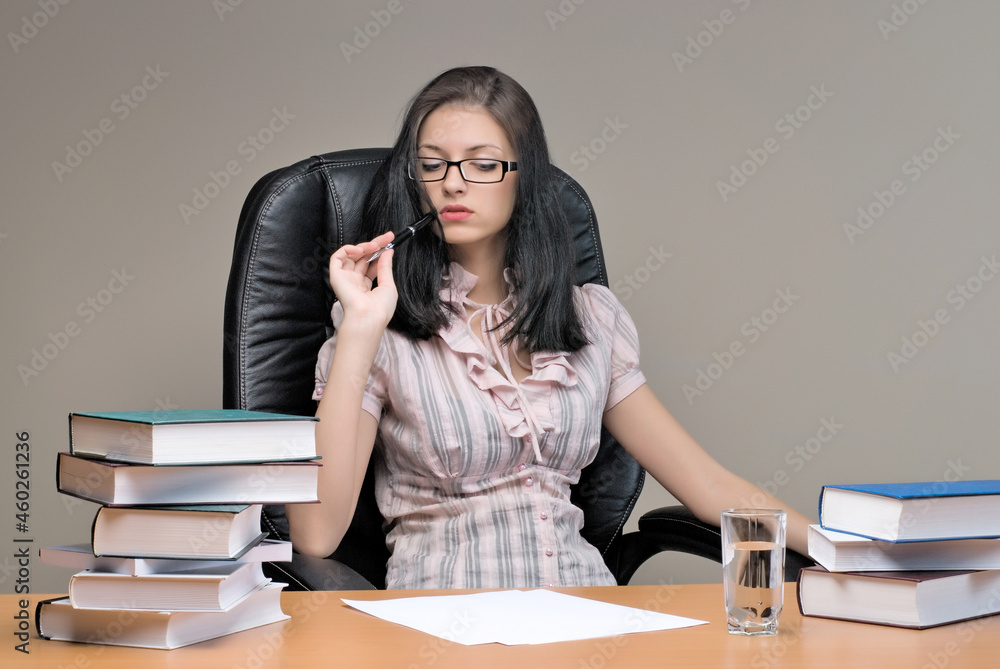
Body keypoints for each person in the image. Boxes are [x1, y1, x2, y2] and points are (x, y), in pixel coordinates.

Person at [287, 66, 812, 589]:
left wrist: (848, 549)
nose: (451, 183)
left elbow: (708, 483)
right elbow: (316, 535)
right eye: (432, 165)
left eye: (483, 165)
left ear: (526, 177)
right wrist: (360, 327)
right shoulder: (379, 329)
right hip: (445, 623)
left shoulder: (589, 320)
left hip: (587, 616)